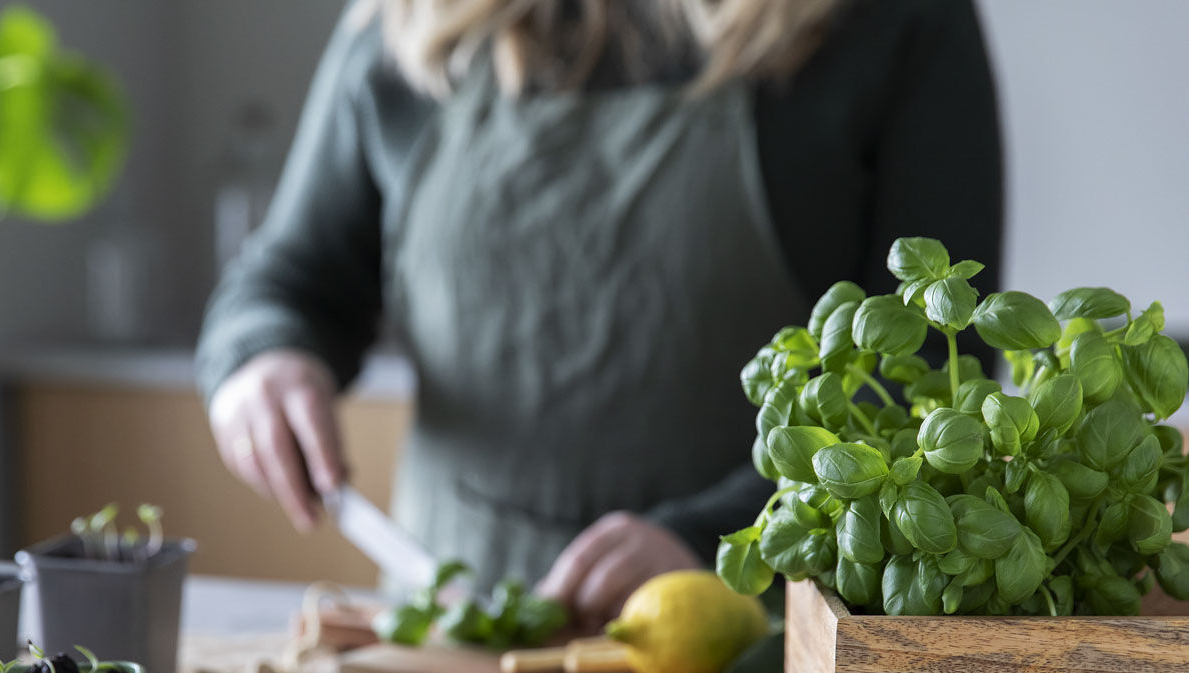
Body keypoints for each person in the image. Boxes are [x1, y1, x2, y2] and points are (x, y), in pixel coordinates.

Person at [197, 0, 1002, 629]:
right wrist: (261, 356)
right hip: (445, 647)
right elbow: (290, 279)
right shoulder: (416, 25)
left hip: (738, 655)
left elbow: (927, 384)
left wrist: (706, 538)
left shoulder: (893, 23)